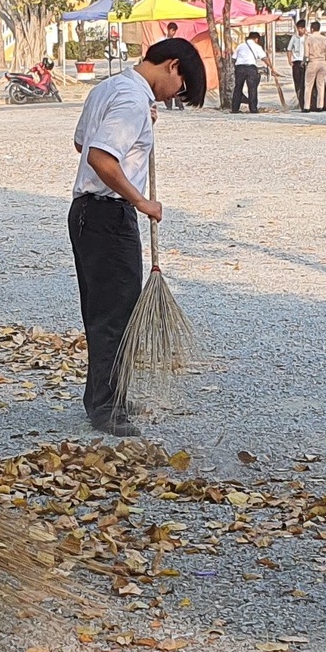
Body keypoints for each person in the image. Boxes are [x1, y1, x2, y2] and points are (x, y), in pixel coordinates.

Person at [69, 37, 205, 439]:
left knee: (100, 311)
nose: (171, 98)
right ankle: (108, 409)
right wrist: (141, 200)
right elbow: (98, 156)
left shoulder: (110, 88)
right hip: (110, 215)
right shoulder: (131, 100)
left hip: (85, 214)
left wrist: (138, 132)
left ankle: (102, 399)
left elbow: (81, 142)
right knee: (116, 316)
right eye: (178, 89)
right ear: (172, 65)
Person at [230, 30, 268, 113]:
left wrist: (235, 68)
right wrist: (271, 67)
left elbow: (233, 58)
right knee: (252, 88)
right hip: (251, 68)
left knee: (238, 88)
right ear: (256, 39)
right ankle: (253, 109)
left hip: (239, 68)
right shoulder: (257, 46)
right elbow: (264, 58)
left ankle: (235, 109)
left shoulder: (240, 46)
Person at [302, 20, 326, 112]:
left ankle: (307, 106)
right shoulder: (325, 39)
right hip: (322, 62)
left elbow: (306, 54)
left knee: (308, 85)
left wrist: (304, 61)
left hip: (313, 62)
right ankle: (320, 106)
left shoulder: (309, 39)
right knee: (320, 84)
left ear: (312, 28)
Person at [289, 18, 308, 110]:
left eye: (302, 28)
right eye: (299, 28)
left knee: (305, 83)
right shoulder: (294, 37)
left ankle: (306, 102)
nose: (300, 30)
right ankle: (300, 101)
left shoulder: (308, 37)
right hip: (296, 61)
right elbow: (289, 49)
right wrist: (290, 60)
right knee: (297, 82)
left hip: (306, 62)